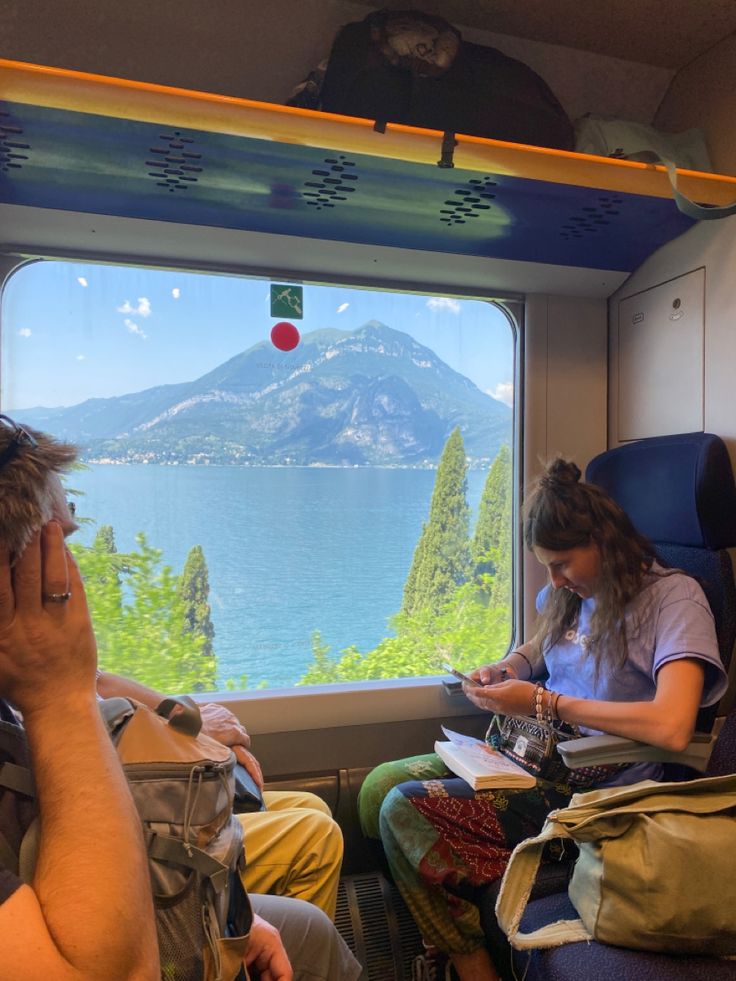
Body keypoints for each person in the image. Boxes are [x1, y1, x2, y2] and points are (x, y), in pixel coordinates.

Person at [0, 414, 361, 981]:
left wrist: (173, 716)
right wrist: (57, 697)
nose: (74, 573)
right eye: (59, 545)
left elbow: (96, 685)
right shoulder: (41, 689)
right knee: (312, 835)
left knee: (307, 919)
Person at [358, 457, 729, 981]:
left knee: (403, 810)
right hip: (533, 757)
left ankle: (470, 964)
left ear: (604, 540)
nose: (554, 580)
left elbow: (672, 725)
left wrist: (541, 703)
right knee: (376, 788)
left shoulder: (674, 599)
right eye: (546, 567)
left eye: (561, 564)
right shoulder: (571, 595)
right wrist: (509, 667)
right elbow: (541, 649)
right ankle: (443, 927)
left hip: (597, 791)